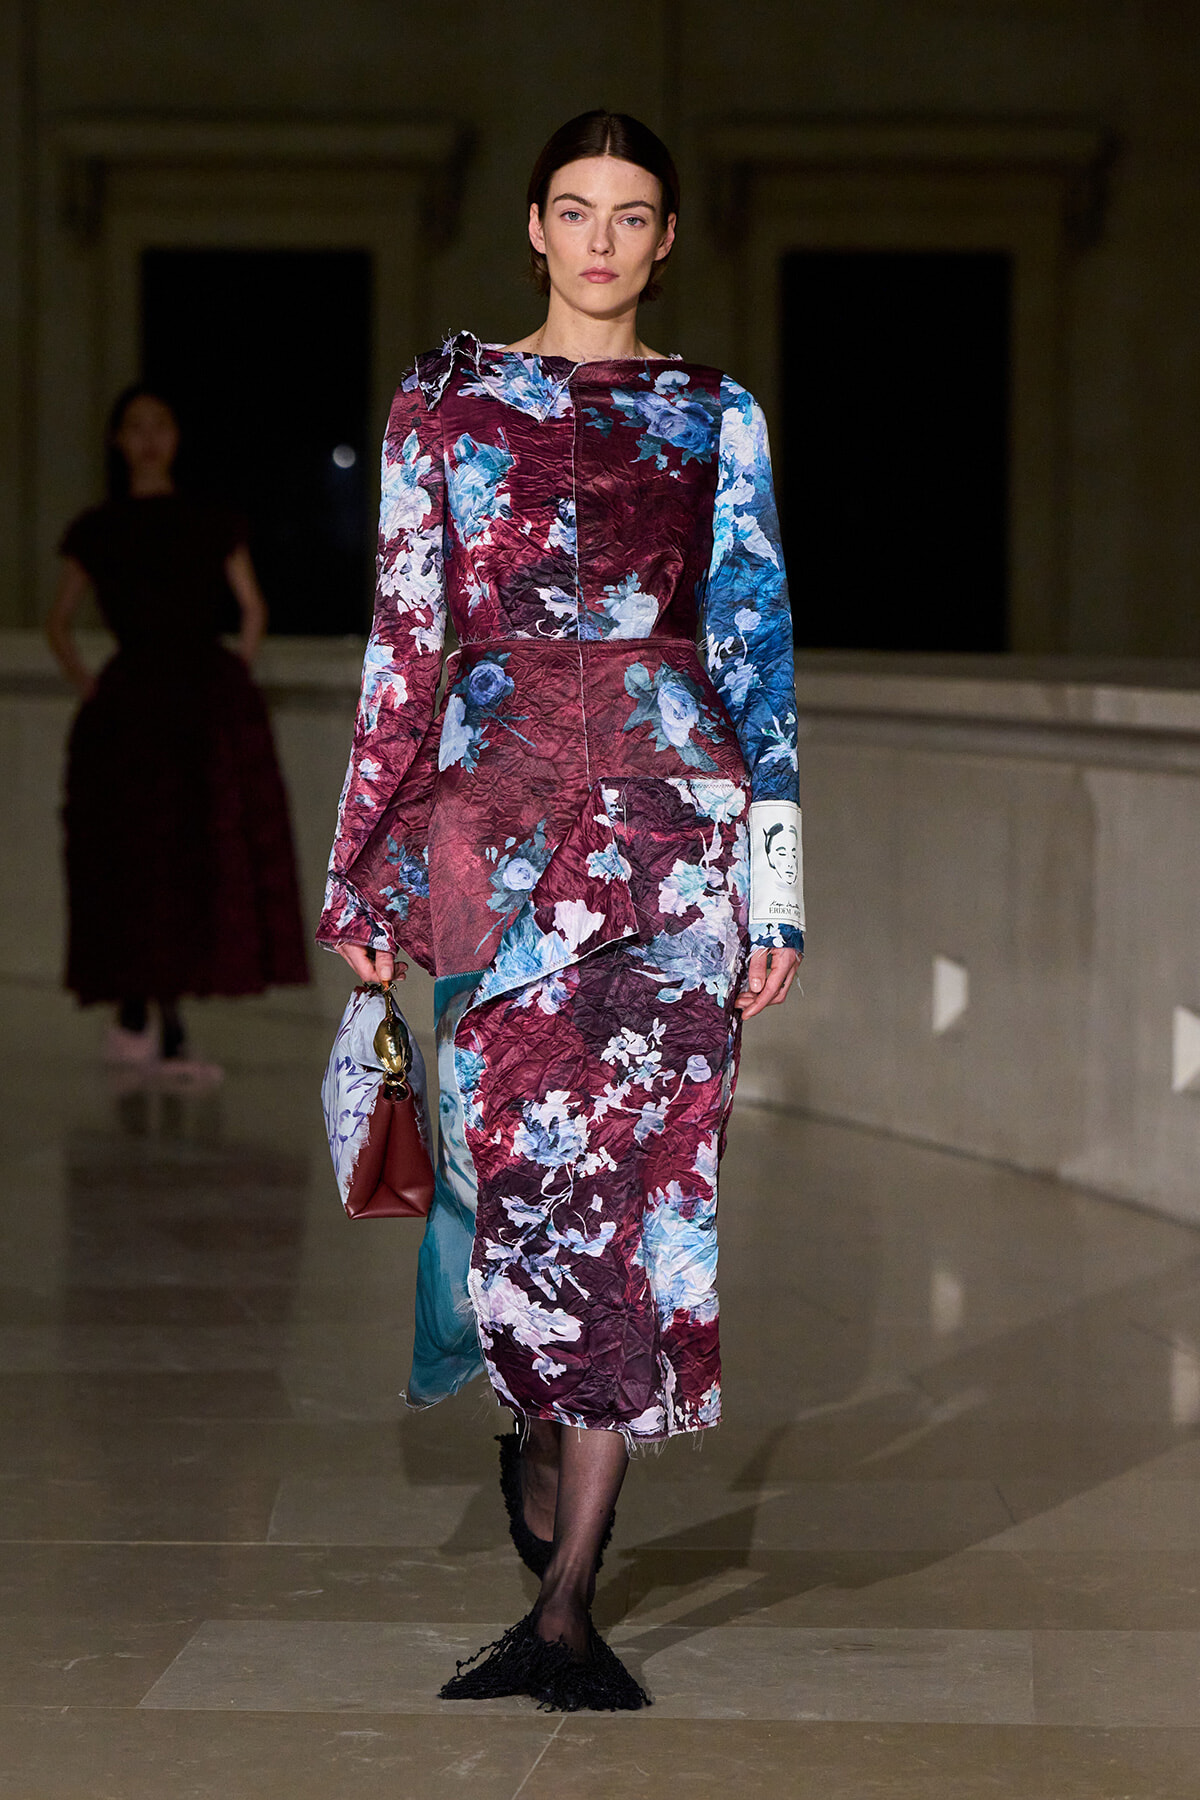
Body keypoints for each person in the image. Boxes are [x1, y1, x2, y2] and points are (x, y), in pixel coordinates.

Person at [320, 109, 804, 1711]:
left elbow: (756, 651)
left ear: (668, 237)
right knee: (514, 1184)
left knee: (646, 1201)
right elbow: (403, 643)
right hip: (500, 841)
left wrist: (778, 900)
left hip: (679, 844)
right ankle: (531, 1421)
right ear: (534, 225)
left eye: (636, 214)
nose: (605, 238)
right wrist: (363, 867)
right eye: (578, 210)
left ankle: (570, 1610)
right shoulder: (444, 404)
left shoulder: (716, 414)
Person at [47, 385, 309, 1081]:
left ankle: (163, 1020)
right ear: (116, 440)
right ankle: (143, 1014)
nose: (148, 439)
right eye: (134, 427)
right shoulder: (100, 528)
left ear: (177, 436)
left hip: (196, 703)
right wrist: (93, 684)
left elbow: (252, 609)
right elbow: (58, 622)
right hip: (132, 709)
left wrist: (228, 681)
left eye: (159, 425)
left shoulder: (209, 522)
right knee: (133, 855)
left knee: (196, 854)